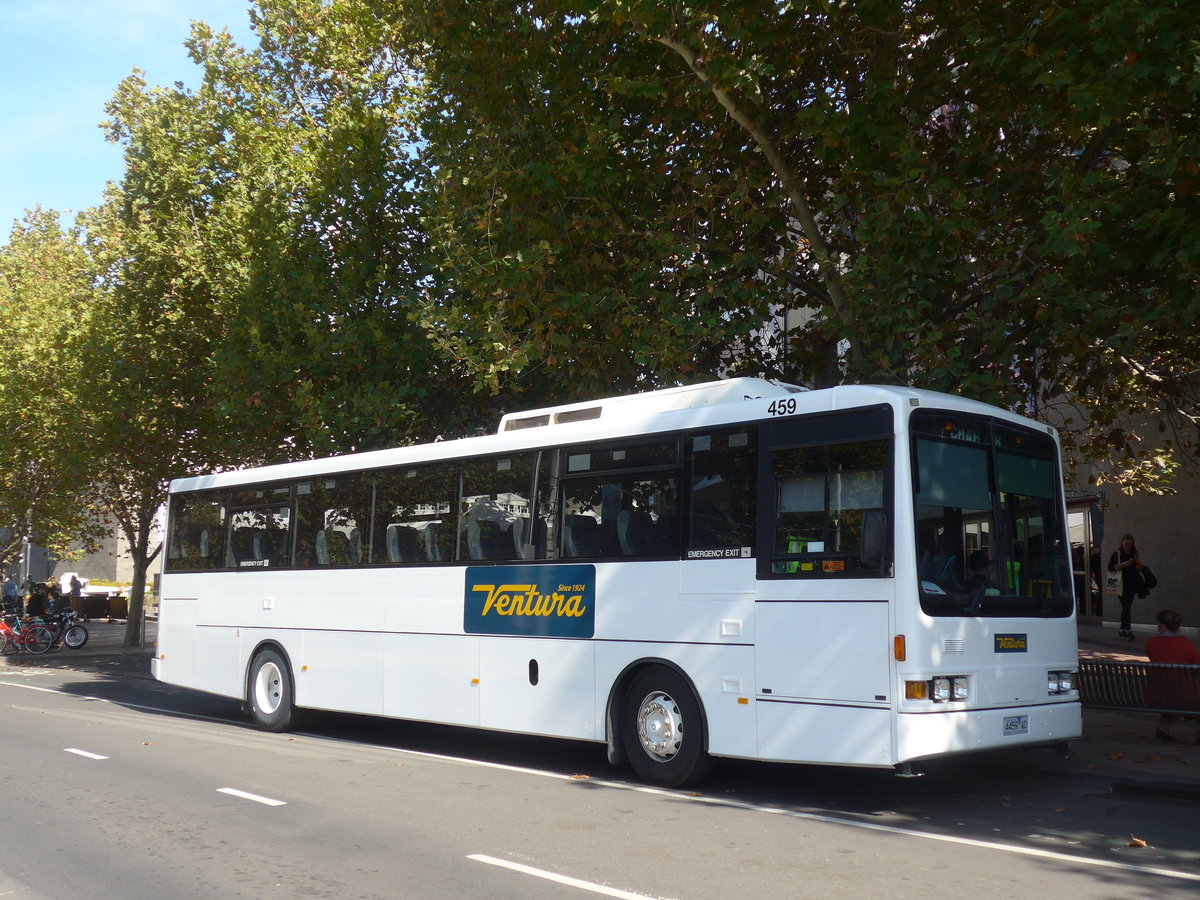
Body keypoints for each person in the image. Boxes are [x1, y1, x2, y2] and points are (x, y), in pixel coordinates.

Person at [1145, 609, 1200, 743]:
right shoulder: (1186, 644)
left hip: (1158, 693)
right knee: (1186, 694)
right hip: (1184, 695)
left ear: (1163, 627)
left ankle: (1164, 727)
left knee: (1172, 693)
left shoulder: (1150, 643)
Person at [1108, 534, 1147, 641]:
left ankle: (1122, 630)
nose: (1127, 546)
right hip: (1120, 584)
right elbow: (1111, 567)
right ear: (1122, 542)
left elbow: (1137, 569)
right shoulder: (1117, 553)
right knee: (1126, 607)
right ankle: (1128, 630)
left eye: (1129, 544)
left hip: (1132, 584)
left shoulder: (1133, 554)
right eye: (1125, 543)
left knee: (1126, 607)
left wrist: (1138, 566)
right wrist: (1124, 564)